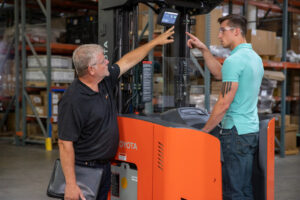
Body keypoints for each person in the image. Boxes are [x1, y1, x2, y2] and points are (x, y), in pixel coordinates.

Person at [58, 26, 175, 200]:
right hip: (84, 170)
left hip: (104, 168)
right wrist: (71, 184)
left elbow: (128, 61)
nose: (107, 63)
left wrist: (155, 42)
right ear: (91, 69)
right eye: (103, 61)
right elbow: (64, 144)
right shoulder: (73, 99)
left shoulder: (103, 81)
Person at [186, 14, 264, 200]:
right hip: (249, 130)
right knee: (244, 188)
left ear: (236, 31)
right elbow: (220, 74)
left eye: (223, 30)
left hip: (235, 133)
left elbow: (223, 104)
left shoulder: (234, 61)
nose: (219, 36)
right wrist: (204, 50)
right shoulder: (254, 58)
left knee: (233, 191)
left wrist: (203, 131)